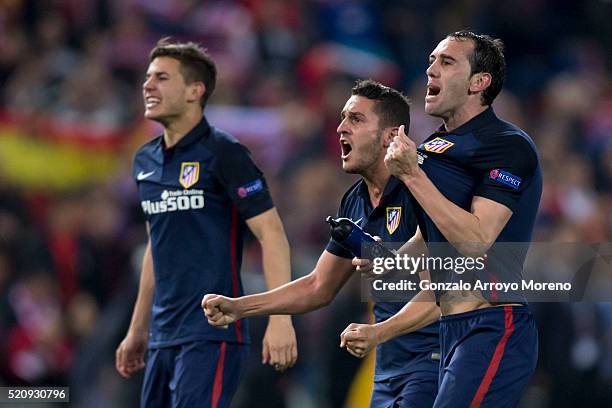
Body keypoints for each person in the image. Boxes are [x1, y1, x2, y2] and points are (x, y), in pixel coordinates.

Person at [203, 79, 441, 408]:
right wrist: (240, 306)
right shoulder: (355, 202)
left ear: (390, 136)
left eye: (356, 120)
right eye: (343, 117)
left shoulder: (425, 188)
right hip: (390, 363)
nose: (341, 127)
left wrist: (379, 330)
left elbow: (444, 292)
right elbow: (318, 286)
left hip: (438, 360)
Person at [343, 31, 542, 408]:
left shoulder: (507, 145)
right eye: (432, 60)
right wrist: (395, 262)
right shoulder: (435, 146)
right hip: (450, 329)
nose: (431, 69)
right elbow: (431, 233)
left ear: (479, 82)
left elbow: (475, 241)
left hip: (494, 324)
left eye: (446, 62)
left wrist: (411, 175)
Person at [114, 38, 297, 408]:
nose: (148, 85)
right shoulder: (144, 161)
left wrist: (281, 319)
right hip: (162, 336)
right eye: (148, 77)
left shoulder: (225, 153)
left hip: (212, 333)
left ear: (195, 91)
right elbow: (156, 247)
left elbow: (272, 234)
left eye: (162, 78)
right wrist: (138, 329)